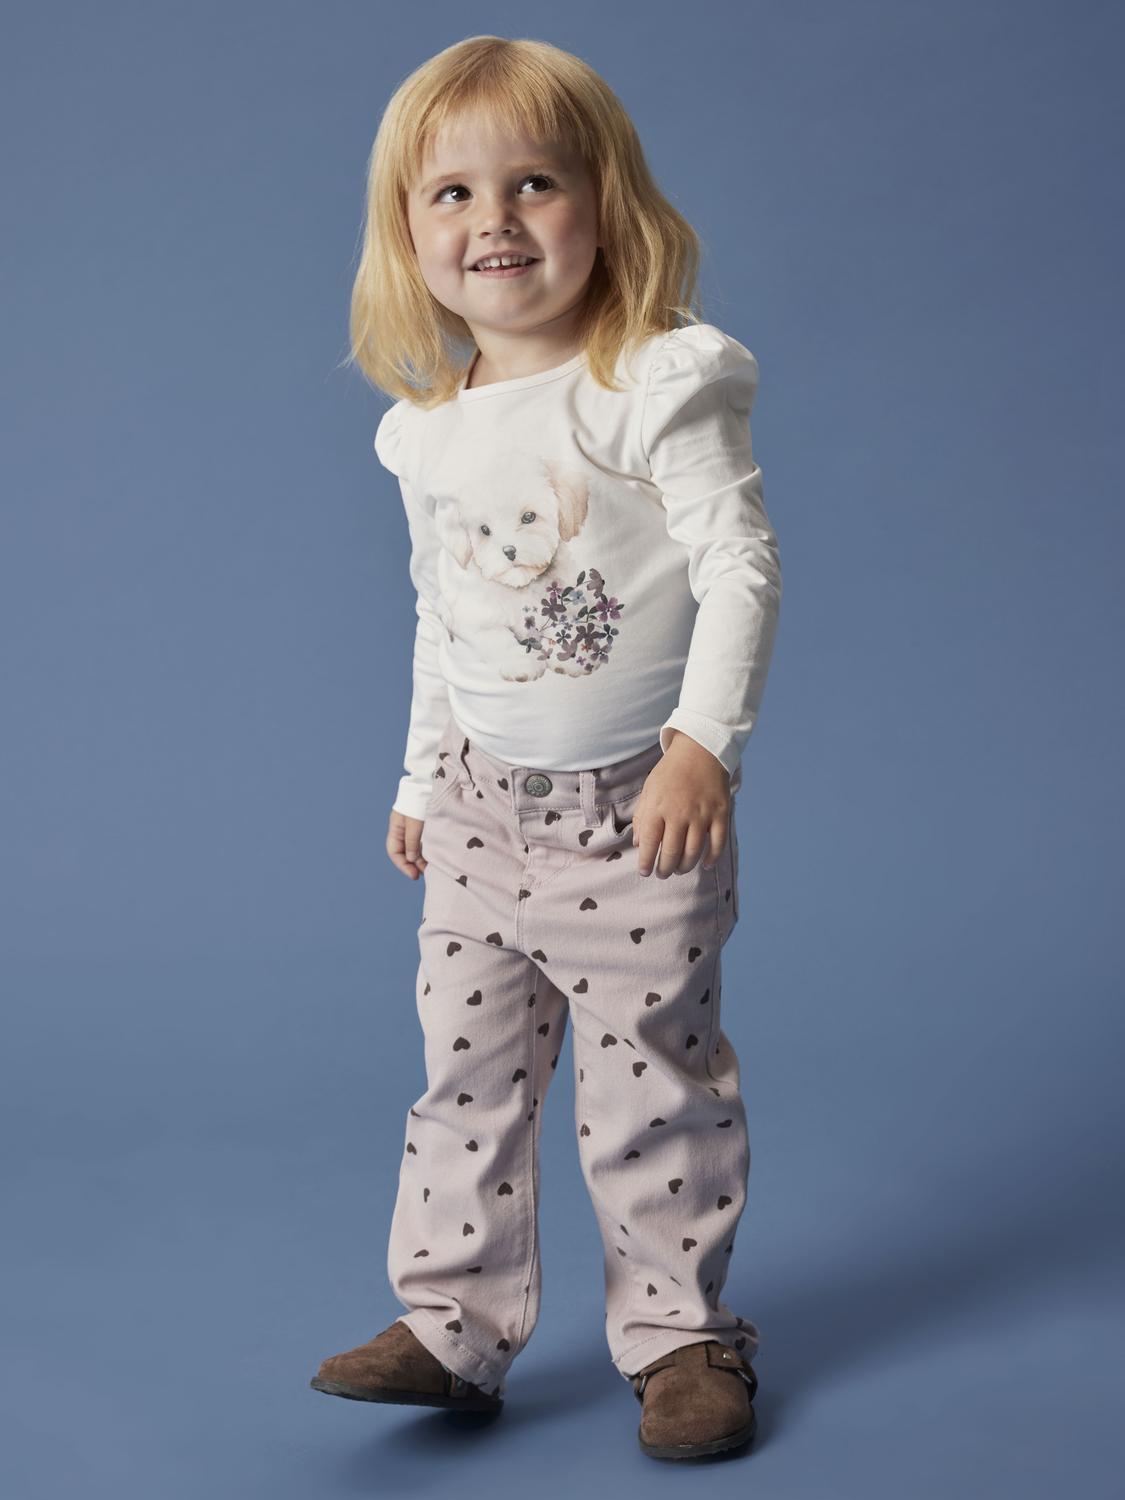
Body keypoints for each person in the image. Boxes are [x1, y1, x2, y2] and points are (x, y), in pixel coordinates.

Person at [311, 34, 781, 1461]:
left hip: (633, 817)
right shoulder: (428, 433)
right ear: (408, 232)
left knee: (649, 1086)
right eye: (451, 193)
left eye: (533, 183)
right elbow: (441, 616)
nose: (494, 220)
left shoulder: (654, 381)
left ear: (605, 202)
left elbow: (739, 566)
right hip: (475, 814)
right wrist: (418, 779)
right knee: (466, 1080)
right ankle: (453, 1326)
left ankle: (682, 1337)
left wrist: (702, 747)